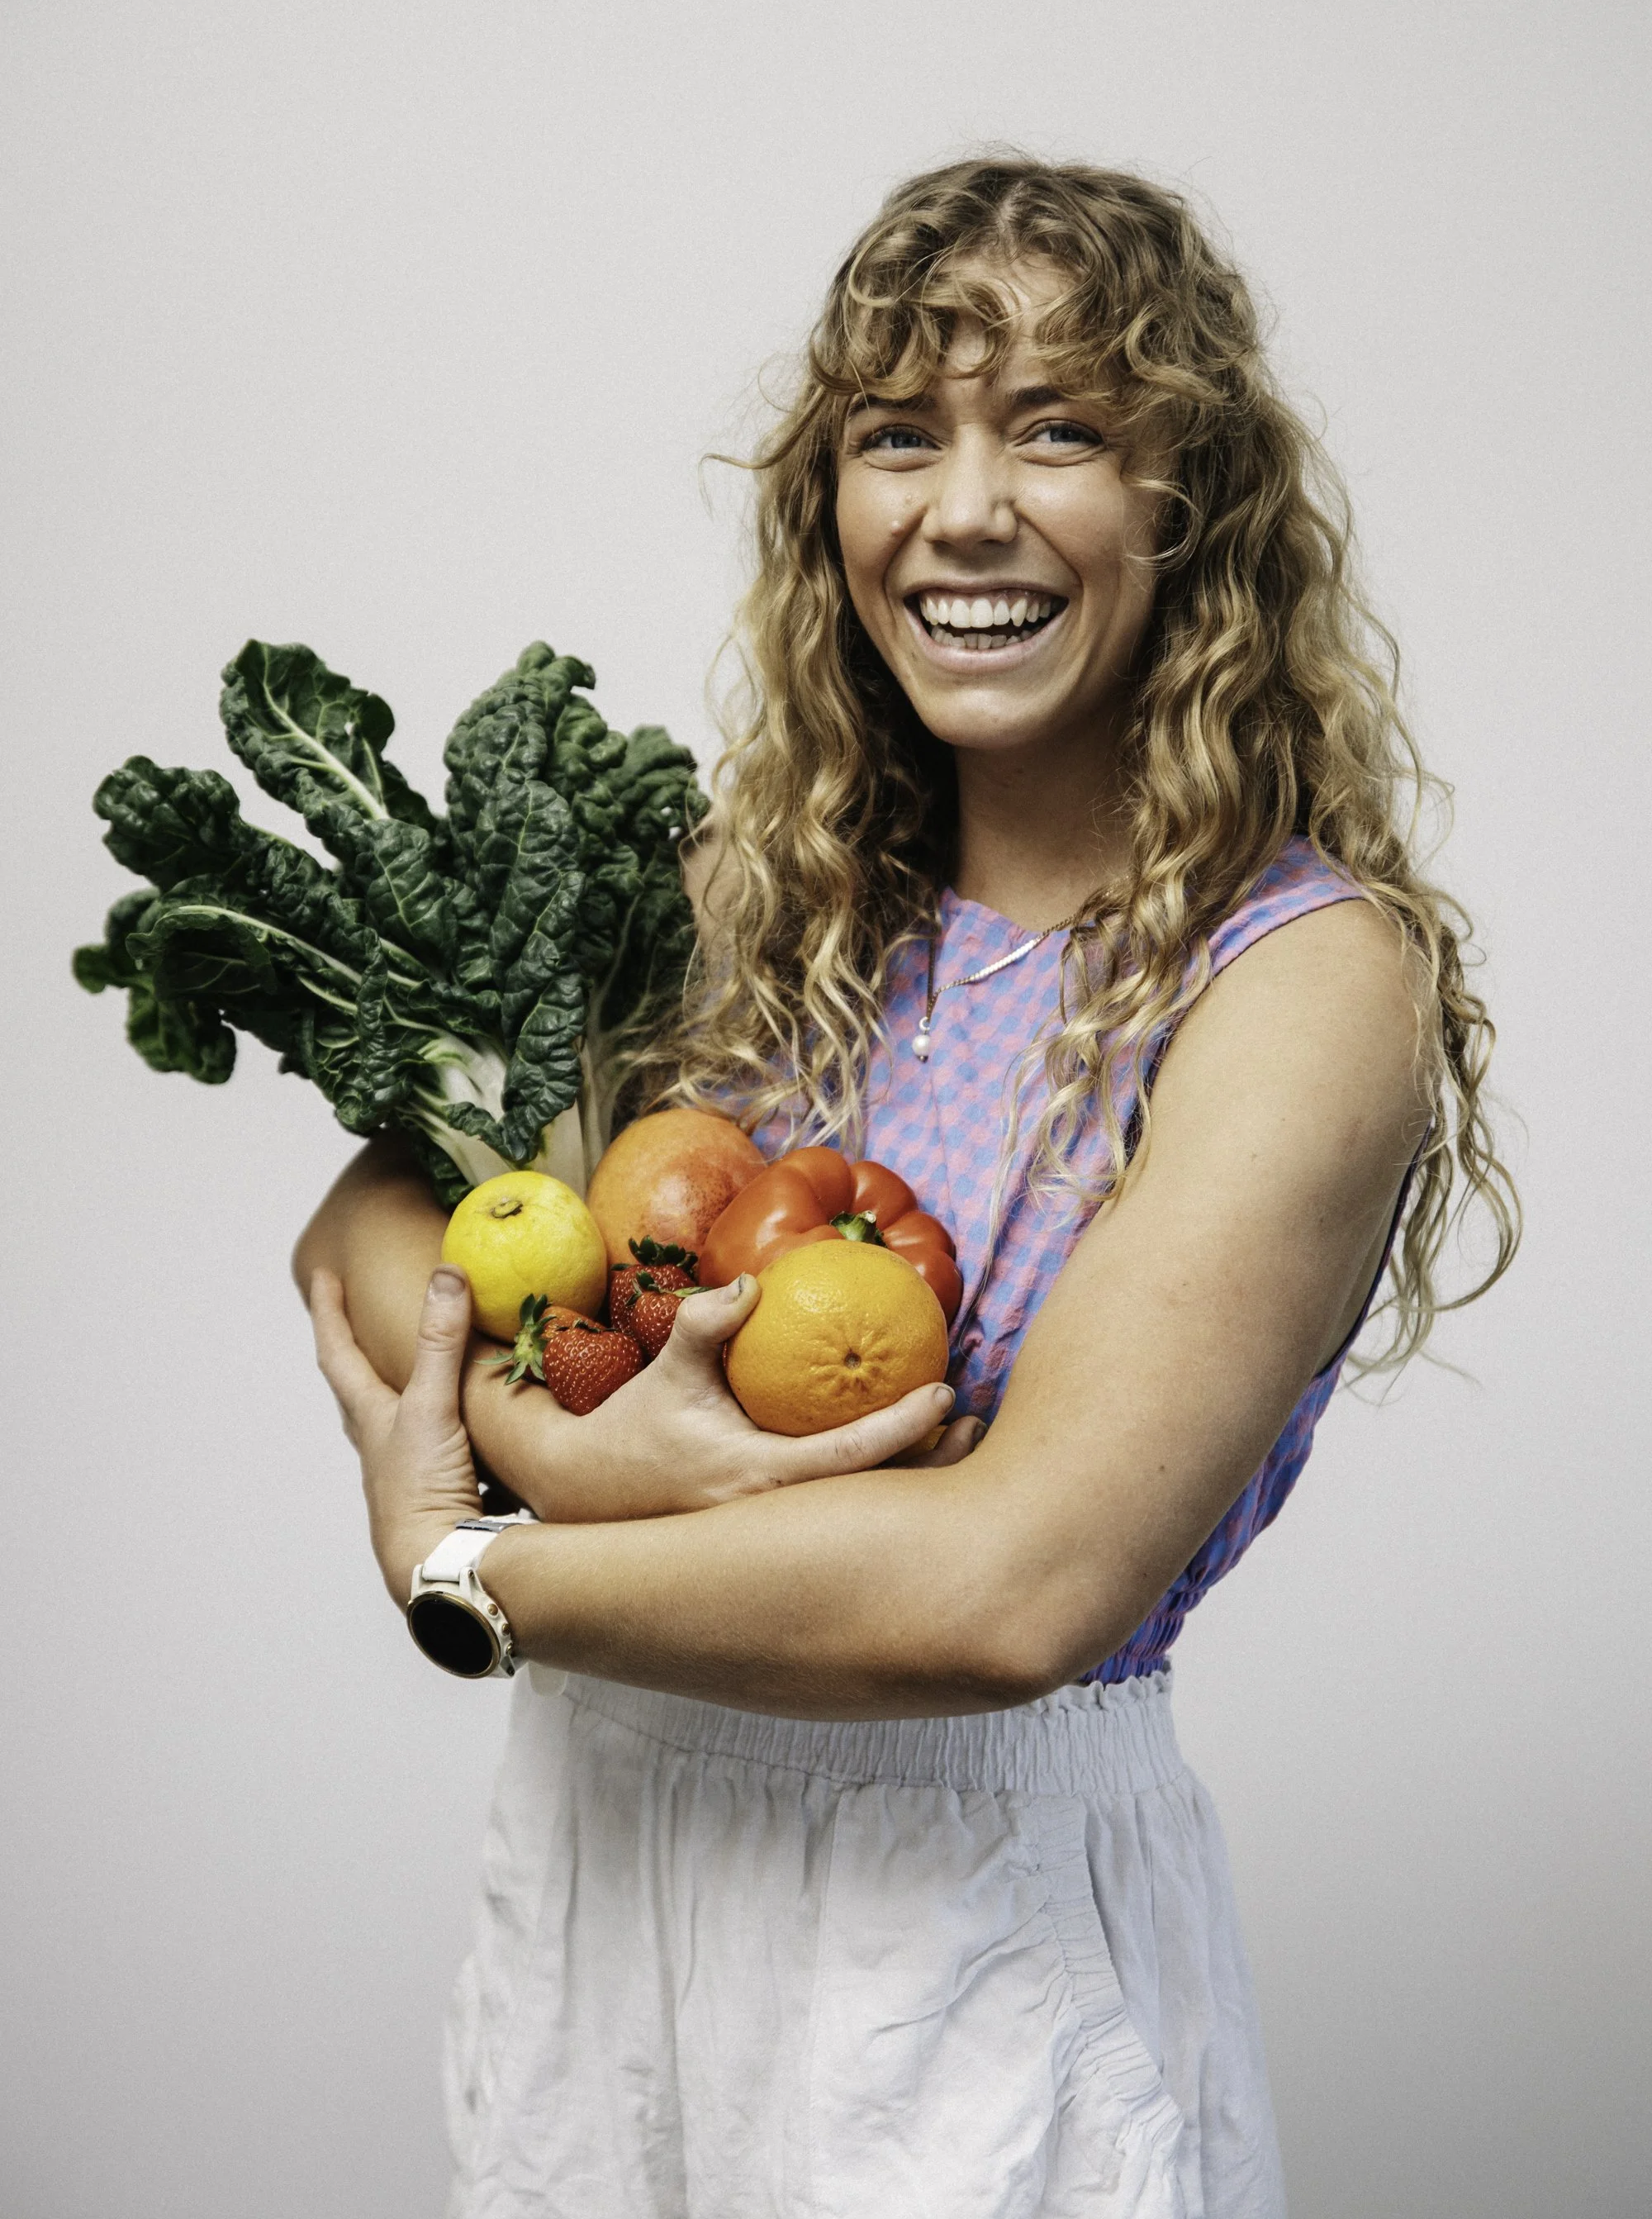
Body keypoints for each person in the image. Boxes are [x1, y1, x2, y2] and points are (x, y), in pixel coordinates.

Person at [296, 157, 1516, 2219]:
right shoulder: (759, 897)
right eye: (896, 436)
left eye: (1059, 428)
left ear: (1182, 509)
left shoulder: (1294, 980)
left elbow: (1007, 1589)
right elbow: (378, 1228)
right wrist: (570, 1459)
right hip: (610, 1869)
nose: (963, 508)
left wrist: (470, 1565)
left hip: (959, 1940)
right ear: (829, 511)